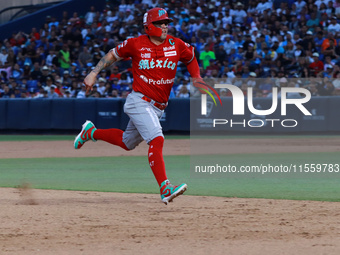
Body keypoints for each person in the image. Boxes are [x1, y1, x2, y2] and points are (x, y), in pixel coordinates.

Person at [73, 7, 206, 205]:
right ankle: (165, 188)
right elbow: (112, 55)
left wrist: (196, 77)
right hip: (139, 101)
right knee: (157, 139)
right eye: (159, 23)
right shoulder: (135, 44)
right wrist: (93, 72)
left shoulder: (176, 44)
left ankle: (91, 132)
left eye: (166, 23)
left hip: (158, 107)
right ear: (148, 26)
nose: (164, 27)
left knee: (127, 143)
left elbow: (190, 57)